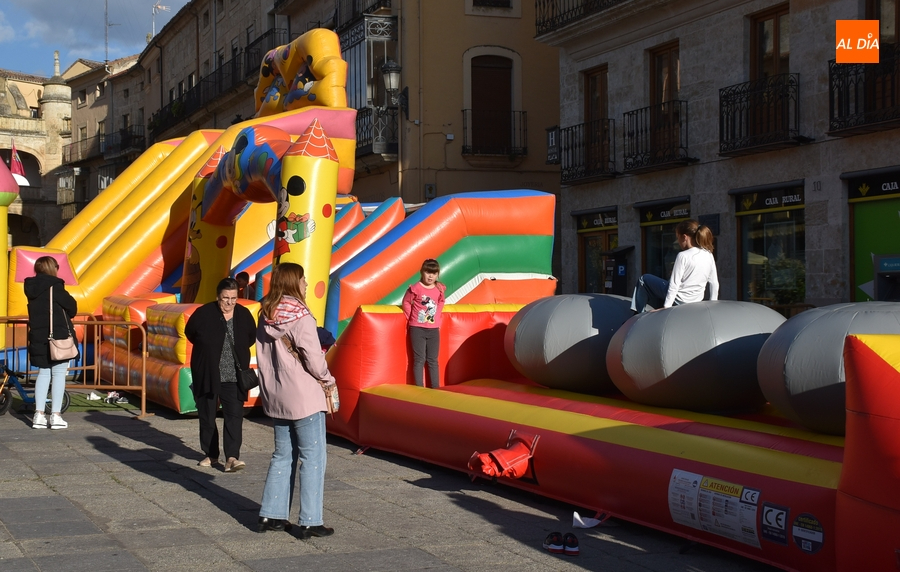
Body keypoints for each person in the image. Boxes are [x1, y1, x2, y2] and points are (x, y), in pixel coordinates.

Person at [255, 263, 335, 539]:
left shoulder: (265, 314)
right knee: (314, 457)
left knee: (283, 454)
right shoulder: (301, 315)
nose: (306, 284)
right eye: (303, 279)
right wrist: (327, 378)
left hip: (276, 393)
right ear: (293, 282)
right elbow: (313, 358)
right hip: (303, 394)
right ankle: (311, 520)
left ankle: (271, 513)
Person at [184, 278, 256, 472]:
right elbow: (190, 333)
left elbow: (250, 337)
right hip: (208, 373)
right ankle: (211, 454)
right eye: (225, 298)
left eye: (233, 298)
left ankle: (232, 457)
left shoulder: (243, 315)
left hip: (234, 376)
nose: (230, 302)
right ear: (218, 297)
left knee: (234, 416)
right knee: (207, 416)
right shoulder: (203, 314)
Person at [24, 256, 77, 430]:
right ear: (52, 268)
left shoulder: (30, 288)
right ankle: (55, 415)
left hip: (38, 336)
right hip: (58, 336)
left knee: (43, 373)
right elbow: (72, 308)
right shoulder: (56, 286)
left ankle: (38, 415)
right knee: (59, 374)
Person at [631, 219, 719, 313]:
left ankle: (637, 315)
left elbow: (674, 285)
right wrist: (712, 304)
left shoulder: (683, 255)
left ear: (684, 237)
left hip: (679, 300)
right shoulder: (708, 255)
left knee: (643, 280)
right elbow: (714, 283)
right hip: (696, 301)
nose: (678, 242)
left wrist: (667, 307)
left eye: (678, 237)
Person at [401, 258, 446, 388]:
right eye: (428, 272)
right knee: (419, 360)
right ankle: (419, 389)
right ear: (422, 272)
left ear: (438, 274)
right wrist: (411, 317)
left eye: (434, 273)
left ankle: (435, 388)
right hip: (417, 328)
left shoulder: (439, 289)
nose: (431, 276)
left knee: (433, 360)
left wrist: (437, 315)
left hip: (433, 329)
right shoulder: (416, 288)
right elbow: (406, 302)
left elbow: (441, 301)